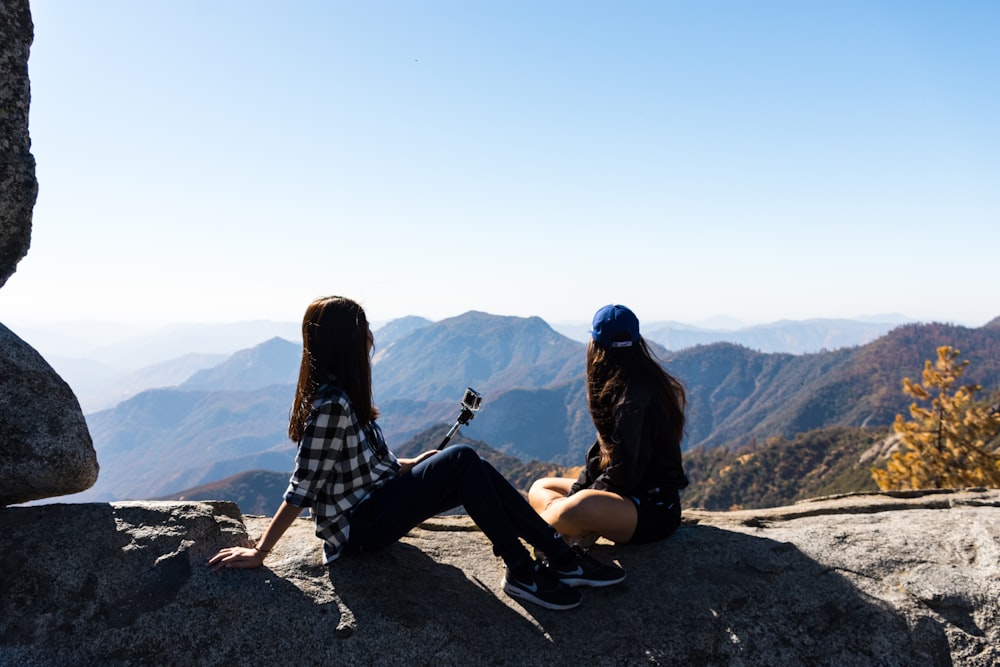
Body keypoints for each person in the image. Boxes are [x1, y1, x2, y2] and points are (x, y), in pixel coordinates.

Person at [208, 295, 624, 611]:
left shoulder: (344, 397)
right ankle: (523, 568)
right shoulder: (332, 406)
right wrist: (261, 552)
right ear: (345, 341)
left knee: (469, 465)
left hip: (373, 506)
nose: (371, 336)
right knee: (461, 460)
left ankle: (558, 556)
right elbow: (303, 485)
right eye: (364, 328)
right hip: (358, 529)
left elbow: (364, 466)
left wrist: (412, 465)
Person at [528, 304, 688, 546]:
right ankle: (566, 527)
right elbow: (600, 461)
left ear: (596, 345)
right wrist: (578, 493)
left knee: (573, 508)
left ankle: (549, 529)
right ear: (637, 342)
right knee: (541, 486)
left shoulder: (633, 399)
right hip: (626, 498)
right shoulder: (635, 386)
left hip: (650, 509)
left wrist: (579, 498)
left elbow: (623, 476)